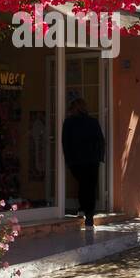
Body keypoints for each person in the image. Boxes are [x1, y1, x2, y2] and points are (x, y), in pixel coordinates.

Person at [61, 97, 105, 227]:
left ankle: (85, 210)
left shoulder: (69, 123)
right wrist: (99, 157)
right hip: (91, 159)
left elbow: (66, 142)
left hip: (77, 160)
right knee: (89, 186)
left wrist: (69, 160)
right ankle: (88, 213)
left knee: (84, 184)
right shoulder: (92, 122)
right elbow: (100, 141)